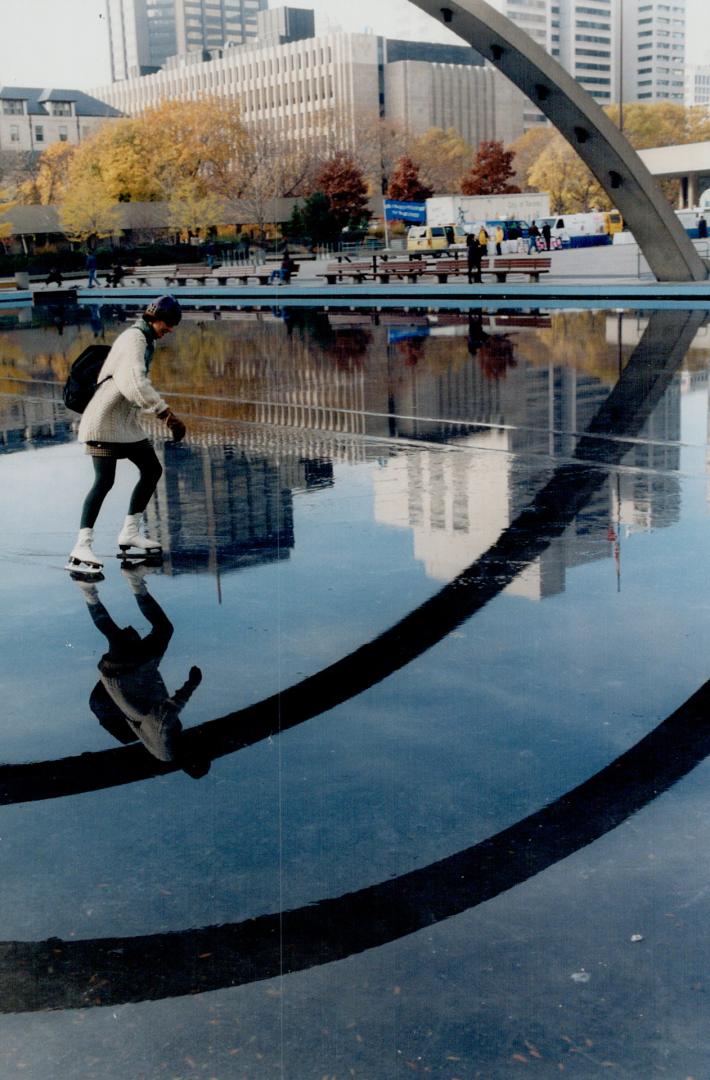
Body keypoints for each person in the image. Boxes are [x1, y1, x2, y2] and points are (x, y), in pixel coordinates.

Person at [66, 295, 187, 576]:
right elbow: (134, 383)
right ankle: (81, 546)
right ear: (153, 318)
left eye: (173, 325)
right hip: (104, 422)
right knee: (104, 481)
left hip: (124, 424)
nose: (169, 329)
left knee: (151, 469)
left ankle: (129, 533)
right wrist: (166, 414)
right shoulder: (135, 339)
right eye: (167, 324)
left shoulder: (146, 339)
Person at [75, 568, 208, 776]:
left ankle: (87, 589)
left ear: (191, 758)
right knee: (164, 629)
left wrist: (192, 684)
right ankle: (134, 581)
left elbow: (164, 713)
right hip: (142, 674)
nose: (198, 747)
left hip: (124, 678)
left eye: (199, 753)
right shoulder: (169, 750)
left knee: (118, 639)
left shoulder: (167, 746)